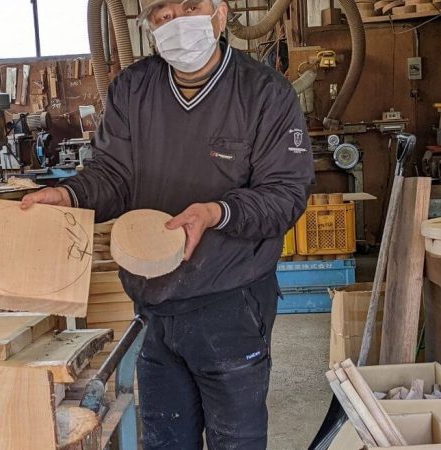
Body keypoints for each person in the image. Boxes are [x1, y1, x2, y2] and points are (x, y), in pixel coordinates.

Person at [21, 0, 314, 448]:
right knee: (163, 440)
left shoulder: (265, 94)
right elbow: (112, 176)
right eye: (162, 12)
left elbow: (286, 194)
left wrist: (217, 212)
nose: (176, 20)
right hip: (154, 305)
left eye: (190, 6)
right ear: (149, 25)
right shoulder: (133, 90)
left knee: (236, 440)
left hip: (231, 304)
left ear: (220, 12)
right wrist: (71, 195)